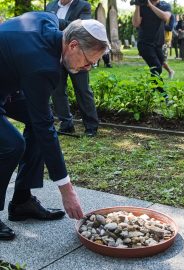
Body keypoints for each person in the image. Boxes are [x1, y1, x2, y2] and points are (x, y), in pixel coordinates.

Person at [0, 11, 109, 240]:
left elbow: (68, 24)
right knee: (12, 144)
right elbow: (45, 127)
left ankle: (21, 201)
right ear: (72, 45)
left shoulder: (48, 20)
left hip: (7, 85)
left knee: (38, 126)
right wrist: (66, 189)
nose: (87, 68)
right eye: (88, 62)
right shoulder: (43, 67)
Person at [46, 0, 99, 137]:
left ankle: (91, 126)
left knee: (82, 90)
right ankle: (66, 124)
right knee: (57, 90)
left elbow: (81, 27)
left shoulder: (83, 5)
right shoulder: (50, 5)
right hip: (55, 53)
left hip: (77, 55)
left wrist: (55, 21)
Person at [132, 0, 171, 99]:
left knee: (160, 66)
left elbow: (165, 17)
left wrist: (150, 5)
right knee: (156, 67)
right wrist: (137, 6)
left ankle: (150, 94)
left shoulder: (164, 5)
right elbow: (136, 23)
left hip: (158, 44)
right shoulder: (141, 6)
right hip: (144, 43)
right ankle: (164, 97)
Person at [162, 14, 175, 79]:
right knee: (155, 58)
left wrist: (159, 24)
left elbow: (170, 28)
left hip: (165, 41)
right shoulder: (158, 15)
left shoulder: (171, 16)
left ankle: (170, 71)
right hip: (156, 39)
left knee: (162, 60)